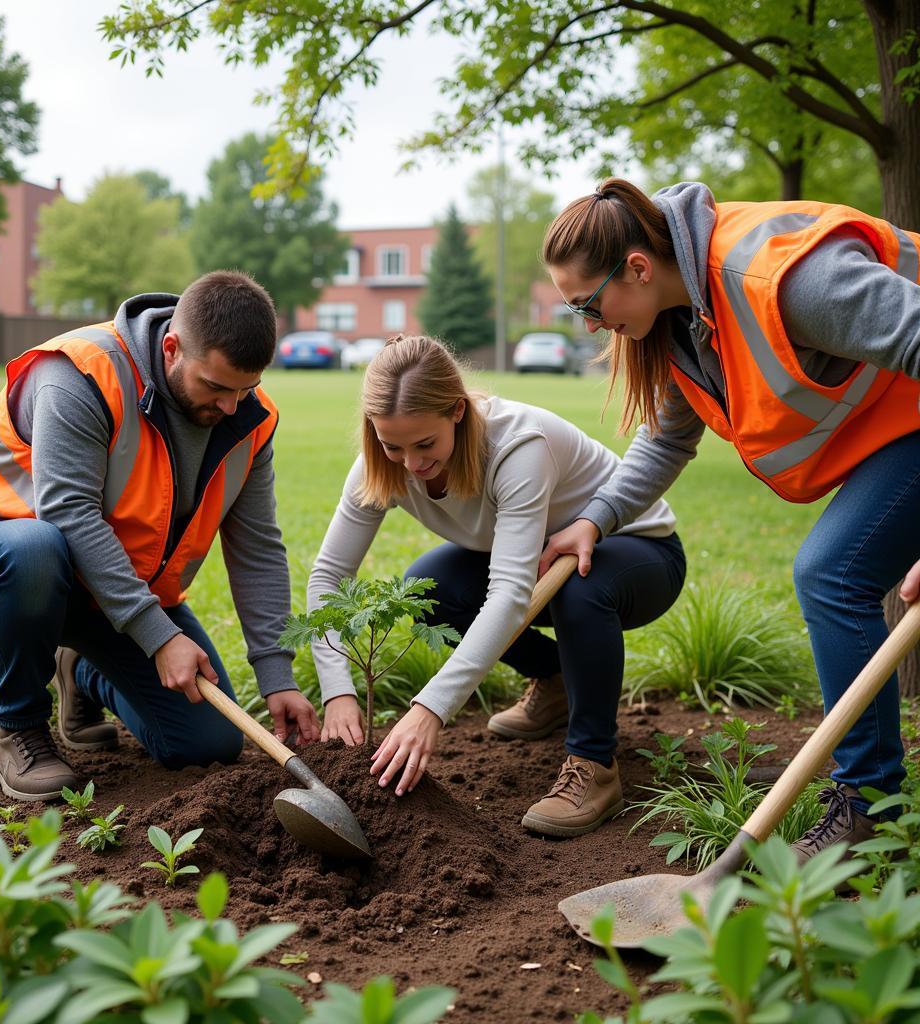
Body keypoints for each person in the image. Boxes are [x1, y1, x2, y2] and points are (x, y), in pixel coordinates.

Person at [539, 178, 920, 861]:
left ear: (638, 267)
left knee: (831, 573)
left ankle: (869, 811)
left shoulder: (786, 281)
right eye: (577, 314)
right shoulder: (684, 316)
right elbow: (666, 437)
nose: (591, 327)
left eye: (590, 306)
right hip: (897, 424)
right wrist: (595, 519)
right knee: (833, 572)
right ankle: (868, 794)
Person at [0, 271, 320, 802]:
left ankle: (83, 670)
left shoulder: (250, 419)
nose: (232, 405)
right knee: (36, 549)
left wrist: (277, 675)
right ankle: (18, 730)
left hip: (113, 591)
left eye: (246, 388)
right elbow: (67, 512)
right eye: (218, 387)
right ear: (173, 348)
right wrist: (157, 635)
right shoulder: (82, 374)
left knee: (208, 743)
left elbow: (258, 549)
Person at [307, 335, 685, 838]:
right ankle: (555, 683)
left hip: (638, 555)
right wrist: (337, 692)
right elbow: (329, 575)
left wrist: (429, 710)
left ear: (458, 412)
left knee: (576, 582)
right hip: (538, 562)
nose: (411, 464)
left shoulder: (517, 447)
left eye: (425, 445)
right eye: (391, 444)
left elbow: (508, 594)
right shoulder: (383, 467)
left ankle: (594, 763)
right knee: (426, 587)